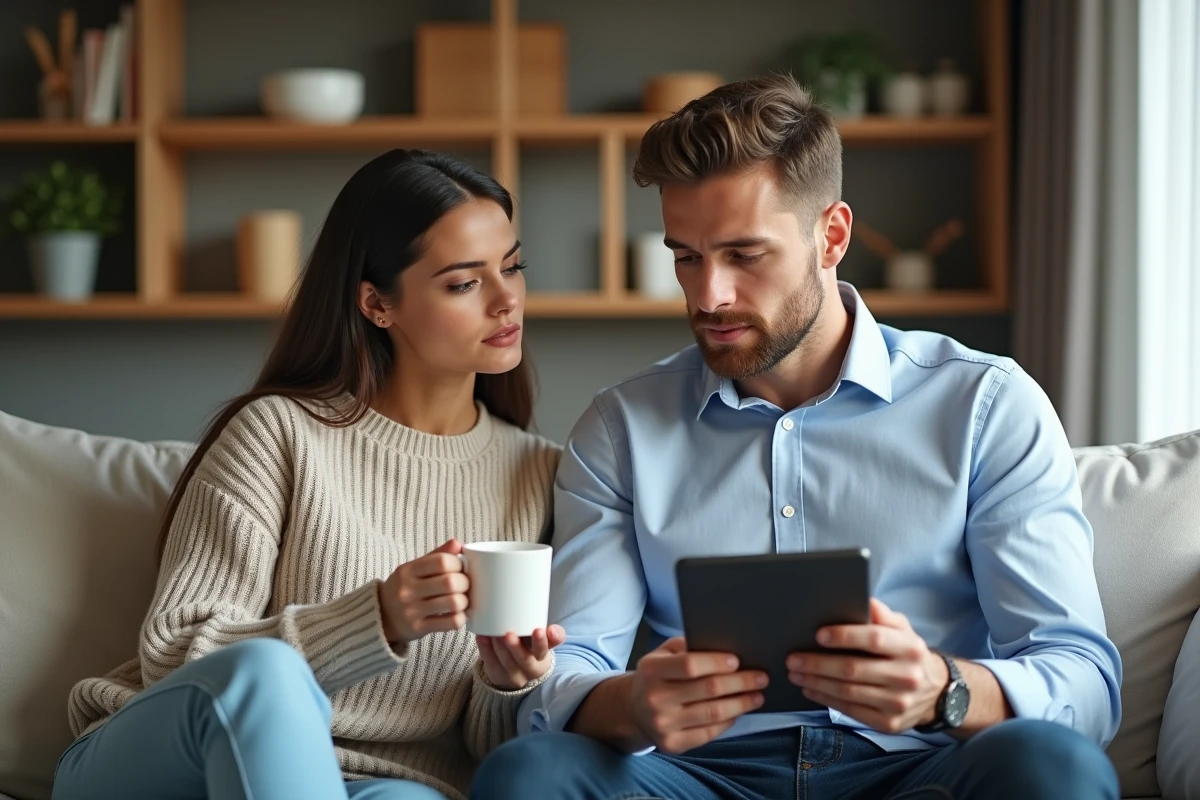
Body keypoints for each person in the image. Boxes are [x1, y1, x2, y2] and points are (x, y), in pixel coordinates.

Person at [473, 74, 1122, 800]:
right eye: (685, 256)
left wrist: (945, 690)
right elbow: (569, 668)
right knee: (529, 775)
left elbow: (1082, 680)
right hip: (700, 776)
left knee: (1053, 767)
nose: (708, 294)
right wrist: (633, 704)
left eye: (745, 255)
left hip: (921, 767)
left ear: (831, 236)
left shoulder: (985, 404)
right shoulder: (621, 427)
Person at [52, 149, 565, 800]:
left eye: (513, 267)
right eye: (465, 283)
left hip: (374, 784)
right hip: (165, 760)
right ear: (377, 304)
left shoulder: (537, 472)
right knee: (266, 673)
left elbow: (485, 750)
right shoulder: (279, 433)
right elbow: (177, 655)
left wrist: (507, 682)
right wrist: (376, 617)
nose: (506, 300)